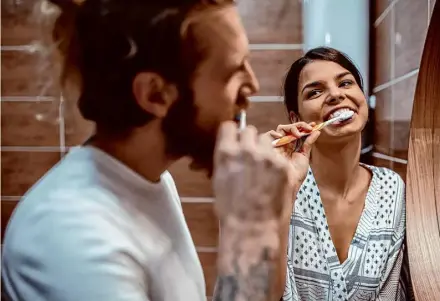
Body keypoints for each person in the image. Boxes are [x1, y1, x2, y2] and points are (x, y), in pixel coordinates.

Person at [1, 0, 292, 300]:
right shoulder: (67, 236)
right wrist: (251, 230)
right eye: (234, 72)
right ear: (155, 94)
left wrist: (275, 212)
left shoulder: (152, 179)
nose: (253, 86)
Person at [265, 47, 409, 301]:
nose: (335, 94)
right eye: (315, 91)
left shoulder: (392, 189)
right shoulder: (277, 187)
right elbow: (260, 292)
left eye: (345, 83)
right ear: (295, 118)